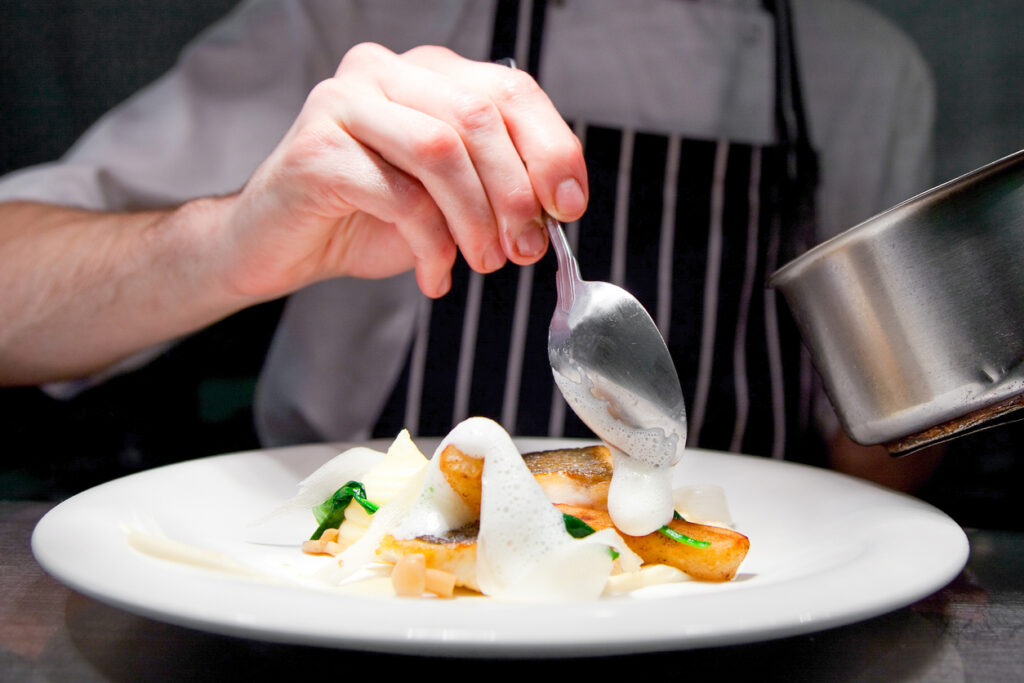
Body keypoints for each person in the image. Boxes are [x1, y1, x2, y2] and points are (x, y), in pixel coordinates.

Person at [0, 0, 936, 490]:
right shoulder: (359, 16)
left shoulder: (868, 70)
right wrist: (235, 239)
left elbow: (876, 451)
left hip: (729, 609)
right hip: (358, 602)